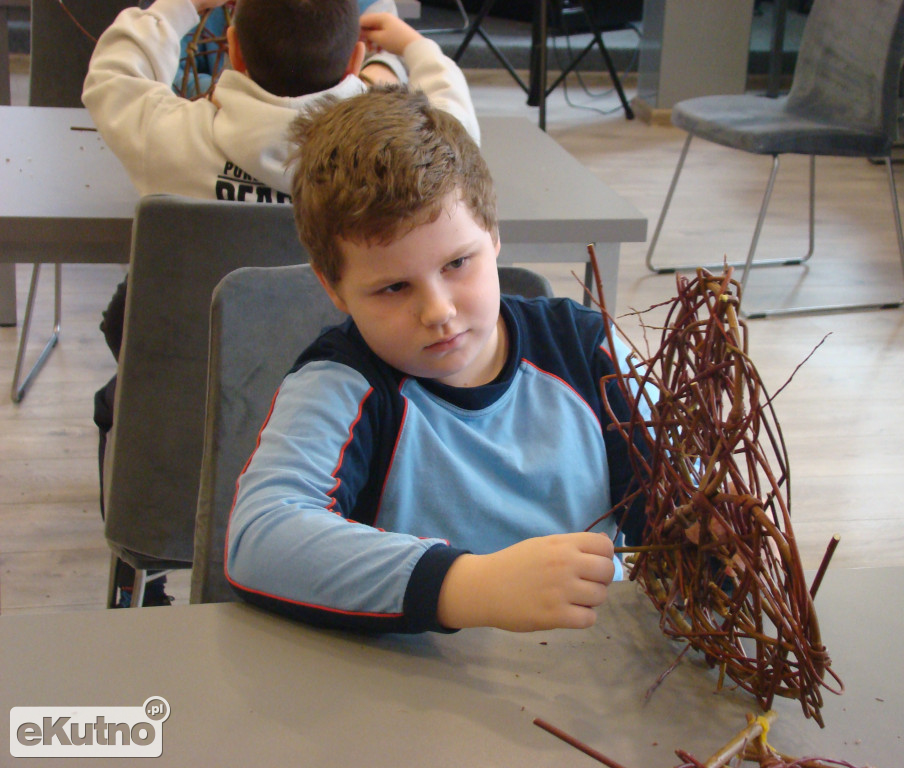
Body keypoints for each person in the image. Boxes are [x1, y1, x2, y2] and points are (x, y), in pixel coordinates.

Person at [83, 0, 479, 606]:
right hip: (360, 473)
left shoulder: (171, 140)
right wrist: (404, 49)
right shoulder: (397, 172)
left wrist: (179, 7)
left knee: (126, 323)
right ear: (353, 56)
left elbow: (111, 76)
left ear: (234, 49)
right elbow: (449, 119)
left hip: (175, 457)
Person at [225, 86, 648, 634]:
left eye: (457, 263)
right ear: (334, 289)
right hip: (412, 691)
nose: (438, 312)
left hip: (591, 680)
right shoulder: (342, 384)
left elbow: (677, 500)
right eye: (394, 287)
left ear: (493, 237)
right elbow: (259, 536)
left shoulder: (587, 351)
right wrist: (467, 586)